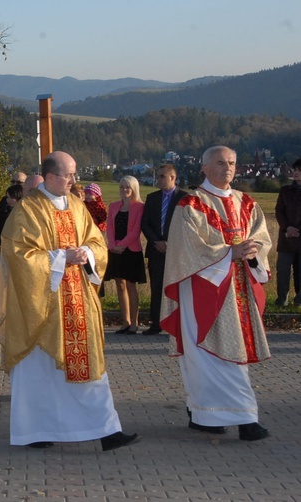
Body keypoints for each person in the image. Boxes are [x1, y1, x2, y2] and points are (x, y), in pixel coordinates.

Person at [0, 151, 139, 451]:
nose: (75, 180)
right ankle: (37, 431)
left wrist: (87, 253)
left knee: (90, 366)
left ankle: (106, 429)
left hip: (79, 301)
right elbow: (18, 254)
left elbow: (97, 242)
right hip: (43, 307)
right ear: (50, 177)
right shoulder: (28, 209)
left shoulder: (77, 205)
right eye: (69, 174)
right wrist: (62, 256)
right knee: (41, 372)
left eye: (75, 173)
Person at [162, 145, 272, 441]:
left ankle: (205, 416)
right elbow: (188, 250)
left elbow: (261, 238)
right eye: (221, 163)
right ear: (205, 169)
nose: (228, 168)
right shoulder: (191, 205)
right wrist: (228, 253)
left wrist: (251, 253)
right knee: (210, 354)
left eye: (233, 163)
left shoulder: (247, 203)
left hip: (239, 290)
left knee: (233, 351)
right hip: (203, 291)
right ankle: (244, 419)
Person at [141, 165, 188, 335]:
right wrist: (157, 242)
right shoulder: (152, 198)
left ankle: (180, 324)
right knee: (157, 287)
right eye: (157, 176)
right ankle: (156, 323)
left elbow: (188, 226)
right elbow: (145, 223)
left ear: (172, 178)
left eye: (161, 176)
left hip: (177, 252)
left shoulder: (185, 198)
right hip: (156, 251)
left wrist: (170, 243)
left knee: (178, 288)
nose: (158, 179)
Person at [104, 175, 146, 334]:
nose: (124, 190)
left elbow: (136, 231)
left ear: (134, 188)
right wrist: (113, 245)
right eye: (122, 187)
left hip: (131, 250)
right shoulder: (114, 206)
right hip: (115, 251)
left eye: (127, 187)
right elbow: (110, 227)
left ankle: (134, 322)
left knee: (130, 285)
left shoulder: (140, 207)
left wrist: (122, 245)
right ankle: (125, 321)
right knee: (119, 284)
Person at [274, 158, 301, 306]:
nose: (296, 173)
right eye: (295, 170)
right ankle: (281, 300)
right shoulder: (285, 191)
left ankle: (299, 302)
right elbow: (279, 211)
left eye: (299, 170)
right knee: (283, 271)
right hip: (286, 238)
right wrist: (287, 228)